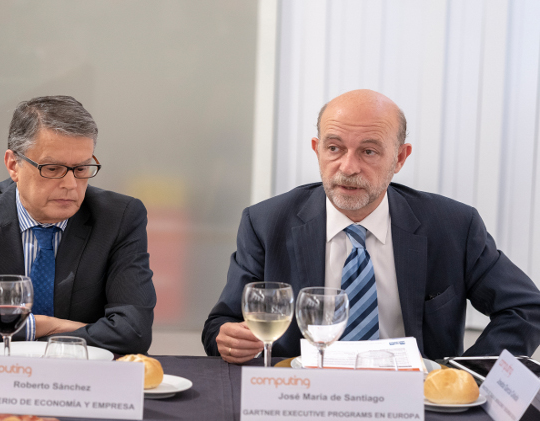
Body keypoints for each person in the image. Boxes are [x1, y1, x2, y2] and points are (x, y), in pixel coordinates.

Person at [202, 89, 540, 363]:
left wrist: (467, 374)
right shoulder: (266, 223)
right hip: (302, 397)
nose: (348, 167)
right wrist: (228, 340)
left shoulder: (453, 226)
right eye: (334, 148)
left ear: (400, 158)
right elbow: (221, 326)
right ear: (317, 150)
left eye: (369, 152)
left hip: (414, 404)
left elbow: (525, 307)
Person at [0, 95, 156, 354]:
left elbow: (134, 332)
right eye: (52, 168)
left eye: (82, 168)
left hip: (82, 382)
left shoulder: (119, 218)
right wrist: (40, 325)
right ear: (13, 165)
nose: (71, 184)